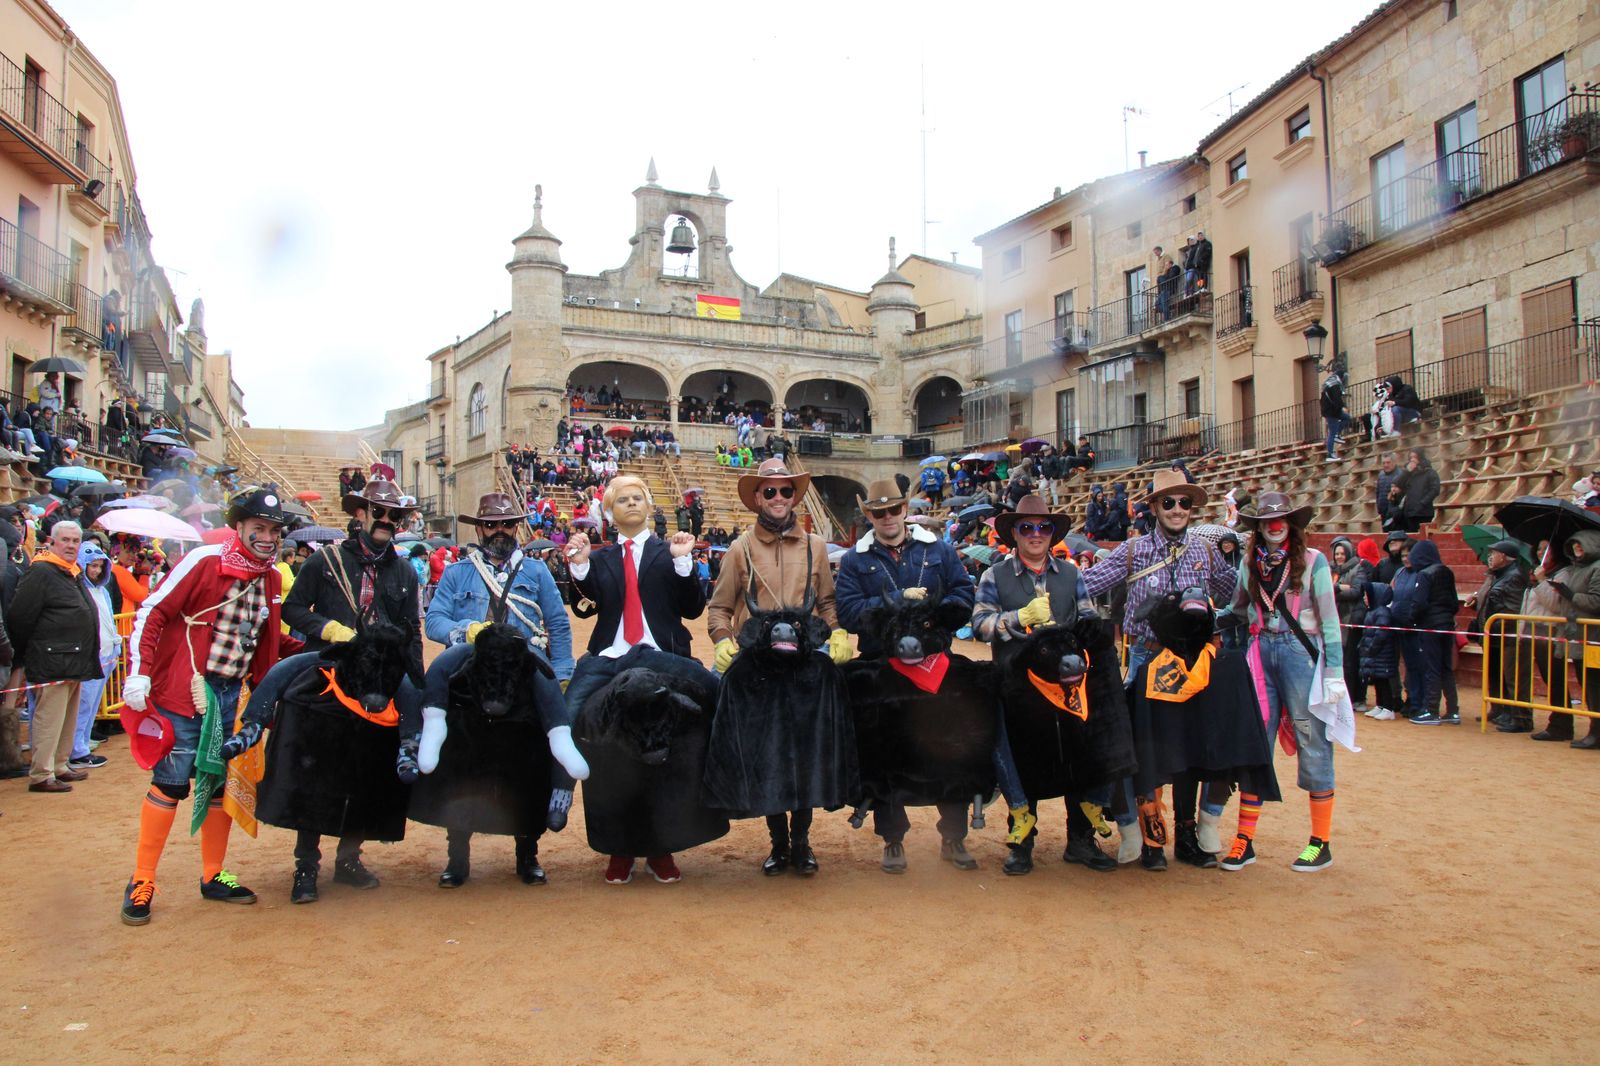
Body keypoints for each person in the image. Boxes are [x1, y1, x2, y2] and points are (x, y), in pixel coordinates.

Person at [117, 489, 296, 925]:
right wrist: (139, 672)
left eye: (274, 530)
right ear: (240, 526)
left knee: (217, 786)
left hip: (233, 696)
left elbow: (268, 639)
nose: (268, 537)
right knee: (171, 783)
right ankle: (142, 879)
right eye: (259, 528)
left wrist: (326, 644)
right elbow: (153, 612)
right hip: (186, 690)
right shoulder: (203, 561)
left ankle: (213, 874)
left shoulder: (271, 578)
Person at [835, 479, 1012, 873]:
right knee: (884, 755)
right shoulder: (854, 560)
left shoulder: (940, 550)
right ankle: (893, 839)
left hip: (936, 664)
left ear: (903, 510)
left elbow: (962, 594)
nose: (886, 518)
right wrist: (898, 601)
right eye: (878, 512)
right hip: (883, 668)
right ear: (869, 516)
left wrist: (932, 611)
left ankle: (954, 836)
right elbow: (847, 611)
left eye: (892, 510)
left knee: (953, 749)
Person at [1078, 471, 1240, 868]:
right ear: (1154, 507)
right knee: (1145, 749)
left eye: (1184, 502)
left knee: (1190, 746)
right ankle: (1152, 838)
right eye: (1169, 502)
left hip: (1193, 662)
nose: (1177, 509)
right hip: (1147, 658)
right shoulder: (1134, 551)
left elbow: (1237, 591)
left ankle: (1186, 834)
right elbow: (1086, 585)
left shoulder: (1206, 551)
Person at [564, 475, 715, 885]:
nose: (631, 504)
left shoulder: (670, 551)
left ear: (649, 506)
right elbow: (584, 609)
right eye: (622, 500)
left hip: (664, 655)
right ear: (609, 514)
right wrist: (580, 568)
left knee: (715, 700)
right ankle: (571, 802)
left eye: (637, 498)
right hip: (609, 656)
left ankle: (668, 840)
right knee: (569, 719)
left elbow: (692, 608)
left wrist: (684, 564)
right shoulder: (601, 558)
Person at [705, 458, 852, 876]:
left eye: (786, 491)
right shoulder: (740, 549)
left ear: (794, 497)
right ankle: (778, 843)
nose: (778, 498)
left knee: (805, 753)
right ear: (757, 498)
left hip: (805, 663)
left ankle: (802, 841)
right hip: (759, 666)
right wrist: (722, 640)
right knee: (765, 753)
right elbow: (719, 608)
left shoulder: (815, 546)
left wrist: (837, 632)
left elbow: (827, 603)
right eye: (769, 491)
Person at [421, 491, 576, 887]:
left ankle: (528, 853)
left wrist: (559, 673)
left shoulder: (537, 572)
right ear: (480, 529)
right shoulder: (457, 573)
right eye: (491, 524)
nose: (500, 531)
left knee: (529, 767)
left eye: (507, 524)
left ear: (516, 527)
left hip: (522, 678)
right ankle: (458, 856)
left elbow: (557, 624)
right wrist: (464, 630)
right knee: (462, 769)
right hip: (472, 678)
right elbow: (434, 621)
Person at [280, 479, 423, 899]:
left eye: (394, 515)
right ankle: (306, 865)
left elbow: (412, 630)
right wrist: (327, 628)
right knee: (315, 772)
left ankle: (348, 858)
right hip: (330, 677)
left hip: (378, 683)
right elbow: (292, 609)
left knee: (367, 773)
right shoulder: (323, 561)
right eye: (379, 512)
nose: (387, 521)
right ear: (360, 514)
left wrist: (416, 679)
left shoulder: (403, 571)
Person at [972, 494, 1120, 875]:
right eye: (1027, 527)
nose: (1035, 534)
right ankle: (1022, 842)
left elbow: (1087, 619)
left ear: (1052, 533)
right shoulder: (994, 576)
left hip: (1066, 687)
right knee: (1022, 759)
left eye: (1043, 527)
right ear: (1015, 534)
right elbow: (980, 625)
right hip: (1017, 686)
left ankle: (1081, 838)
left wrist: (1071, 637)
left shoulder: (1071, 574)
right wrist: (1018, 618)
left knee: (1078, 755)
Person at [1226, 492, 1346, 873]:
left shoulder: (1314, 562)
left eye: (1280, 520)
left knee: (1313, 740)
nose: (1274, 527)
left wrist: (1334, 673)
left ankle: (1320, 843)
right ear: (1258, 528)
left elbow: (1329, 621)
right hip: (1261, 653)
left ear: (1292, 524)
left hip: (1300, 655)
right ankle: (1244, 840)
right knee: (1256, 741)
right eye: (1267, 522)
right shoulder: (1250, 565)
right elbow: (1237, 609)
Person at [7, 521, 100, 793]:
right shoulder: (41, 571)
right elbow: (20, 616)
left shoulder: (70, 571)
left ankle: (59, 764)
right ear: (52, 541)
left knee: (67, 718)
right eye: (65, 540)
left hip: (73, 658)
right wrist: (27, 654)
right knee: (49, 718)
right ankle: (42, 773)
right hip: (51, 659)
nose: (71, 545)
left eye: (75, 541)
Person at [1531, 531, 1600, 748]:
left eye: (1581, 544)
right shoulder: (1578, 569)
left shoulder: (1596, 568)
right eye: (1574, 545)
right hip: (1578, 634)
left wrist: (1570, 595)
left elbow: (1596, 601)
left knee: (1594, 685)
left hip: (1593, 636)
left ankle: (1597, 732)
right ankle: (1595, 730)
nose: (1577, 548)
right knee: (1588, 685)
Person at [1391, 538, 1458, 725]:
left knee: (1431, 668)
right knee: (1446, 668)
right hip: (1447, 625)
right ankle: (1453, 710)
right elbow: (1454, 602)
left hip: (1430, 626)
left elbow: (1419, 603)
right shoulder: (1447, 572)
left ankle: (1431, 710)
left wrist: (1412, 620)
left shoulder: (1424, 575)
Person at [1468, 540, 1532, 732]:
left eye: (1493, 553)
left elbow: (1512, 609)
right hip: (1494, 633)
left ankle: (1519, 717)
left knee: (1512, 677)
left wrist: (1491, 624)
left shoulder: (1514, 576)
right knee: (1495, 673)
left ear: (1503, 557)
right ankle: (1500, 709)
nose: (1490, 557)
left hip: (1506, 634)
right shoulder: (1497, 575)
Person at [68, 541, 120, 771]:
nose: (97, 571)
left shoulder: (102, 591)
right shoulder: (78, 590)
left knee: (91, 705)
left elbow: (108, 619)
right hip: (90, 657)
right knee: (83, 705)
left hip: (107, 655)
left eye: (100, 566)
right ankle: (76, 750)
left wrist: (115, 646)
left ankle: (82, 743)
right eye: (93, 566)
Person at [1330, 539, 1373, 713]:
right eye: (1337, 554)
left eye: (1342, 553)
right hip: (1335, 620)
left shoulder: (1358, 568)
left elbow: (1356, 591)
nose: (1339, 557)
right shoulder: (1332, 569)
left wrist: (1335, 589)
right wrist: (1341, 588)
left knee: (1351, 661)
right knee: (1339, 661)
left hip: (1352, 620)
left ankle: (1355, 698)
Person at [1359, 583, 1402, 720]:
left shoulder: (1382, 612)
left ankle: (1388, 708)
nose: (1364, 597)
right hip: (1373, 653)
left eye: (1366, 595)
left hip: (1382, 653)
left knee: (1384, 680)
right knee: (1376, 678)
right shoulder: (1372, 611)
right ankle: (1380, 705)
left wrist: (1372, 647)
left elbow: (1381, 633)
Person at [1394, 449, 1440, 532]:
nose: (1412, 459)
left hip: (1423, 512)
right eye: (1411, 457)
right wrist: (1406, 472)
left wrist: (1422, 503)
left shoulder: (1429, 472)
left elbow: (1435, 489)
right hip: (1409, 512)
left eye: (1415, 457)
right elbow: (1398, 484)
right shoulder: (1408, 473)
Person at [1321, 366, 1347, 462]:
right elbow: (1337, 399)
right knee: (1331, 433)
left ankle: (1337, 434)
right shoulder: (1334, 385)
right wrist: (1342, 407)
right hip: (1331, 412)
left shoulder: (1329, 384)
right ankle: (1330, 454)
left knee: (1347, 418)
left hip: (1332, 410)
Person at [1375, 452, 1402, 531]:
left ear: (1394, 462)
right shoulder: (1381, 475)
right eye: (1384, 463)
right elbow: (1378, 492)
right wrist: (1379, 507)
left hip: (1395, 513)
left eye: (1388, 462)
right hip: (1383, 511)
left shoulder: (1400, 474)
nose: (1386, 465)